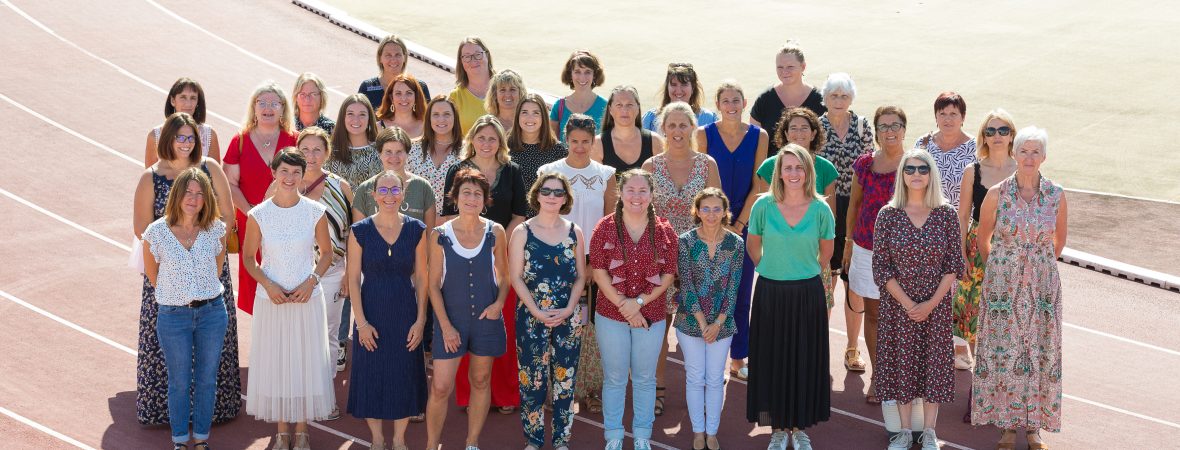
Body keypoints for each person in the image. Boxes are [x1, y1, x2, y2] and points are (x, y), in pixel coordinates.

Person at [133, 113, 241, 428]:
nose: (185, 143)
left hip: (208, 270)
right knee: (169, 350)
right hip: (167, 274)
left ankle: (215, 411)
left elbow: (228, 218)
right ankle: (167, 414)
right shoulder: (150, 177)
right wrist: (175, 254)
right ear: (167, 139)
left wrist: (202, 249)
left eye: (190, 137)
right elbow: (142, 229)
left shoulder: (211, 168)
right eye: (179, 137)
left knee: (211, 346)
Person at [972, 127, 1066, 450]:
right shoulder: (996, 194)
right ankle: (1008, 428)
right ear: (1015, 154)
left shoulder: (1056, 195)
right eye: (1023, 151)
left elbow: (1059, 242)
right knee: (1005, 353)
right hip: (1003, 287)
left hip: (1043, 289)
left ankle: (1034, 429)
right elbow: (983, 239)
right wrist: (1005, 268)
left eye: (1035, 151)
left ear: (1044, 157)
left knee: (1040, 353)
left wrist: (1036, 267)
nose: (1029, 157)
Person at [241, 149, 337, 450]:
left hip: (307, 299)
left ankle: (303, 430)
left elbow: (327, 254)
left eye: (296, 172)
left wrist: (312, 282)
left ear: (303, 175)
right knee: (278, 362)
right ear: (274, 173)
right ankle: (282, 432)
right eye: (284, 171)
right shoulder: (259, 214)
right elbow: (249, 258)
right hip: (272, 301)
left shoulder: (315, 211)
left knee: (305, 362)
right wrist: (269, 286)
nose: (290, 177)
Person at [872, 150, 964, 450]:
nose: (916, 174)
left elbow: (953, 265)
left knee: (932, 368)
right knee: (901, 365)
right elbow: (881, 267)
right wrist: (910, 305)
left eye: (923, 169)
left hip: (935, 308)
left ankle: (929, 433)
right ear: (902, 174)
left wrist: (930, 304)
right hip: (898, 308)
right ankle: (903, 433)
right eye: (909, 169)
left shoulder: (946, 214)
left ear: (931, 174)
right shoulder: (888, 215)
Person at [745, 144, 834, 450]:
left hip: (807, 294)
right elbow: (753, 245)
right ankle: (779, 429)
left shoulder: (821, 209)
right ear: (779, 173)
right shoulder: (763, 206)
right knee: (771, 361)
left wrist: (800, 272)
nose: (793, 173)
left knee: (804, 361)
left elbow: (826, 253)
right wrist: (772, 268)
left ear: (808, 171)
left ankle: (799, 427)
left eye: (799, 167)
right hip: (770, 292)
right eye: (788, 168)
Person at [441, 116, 526, 414]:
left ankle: (504, 395)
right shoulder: (457, 170)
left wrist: (496, 244)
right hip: (463, 255)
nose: (487, 143)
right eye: (481, 138)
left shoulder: (512, 171)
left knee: (501, 325)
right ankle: (468, 396)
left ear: (500, 142)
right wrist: (470, 244)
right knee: (467, 323)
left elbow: (519, 215)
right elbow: (447, 215)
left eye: (493, 138)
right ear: (472, 140)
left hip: (500, 254)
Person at [589, 169, 678, 450]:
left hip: (651, 314)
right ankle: (614, 436)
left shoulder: (665, 230)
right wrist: (626, 307)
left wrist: (637, 304)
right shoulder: (604, 227)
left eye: (642, 191)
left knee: (644, 378)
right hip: (610, 314)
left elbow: (668, 275)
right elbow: (599, 272)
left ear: (651, 195)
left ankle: (642, 436)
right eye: (630, 190)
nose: (636, 196)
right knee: (615, 378)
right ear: (620, 193)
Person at [142, 168, 230, 450]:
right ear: (177, 194)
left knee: (207, 379)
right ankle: (180, 441)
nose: (194, 198)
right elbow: (153, 276)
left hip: (212, 314)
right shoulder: (156, 233)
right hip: (173, 317)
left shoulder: (215, 229)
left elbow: (218, 269)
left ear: (207, 199)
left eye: (200, 193)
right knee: (179, 381)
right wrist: (179, 295)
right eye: (188, 192)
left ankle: (201, 439)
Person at [642, 101, 721, 416]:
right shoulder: (650, 167)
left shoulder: (707, 164)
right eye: (671, 125)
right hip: (659, 260)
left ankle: (701, 389)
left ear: (692, 128)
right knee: (658, 330)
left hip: (698, 259)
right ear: (663, 128)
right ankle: (657, 388)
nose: (677, 131)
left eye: (683, 125)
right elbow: (641, 215)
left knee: (699, 329)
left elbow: (716, 212)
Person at [424, 168, 510, 450]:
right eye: (466, 193)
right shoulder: (440, 234)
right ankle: (432, 445)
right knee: (440, 387)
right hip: (451, 321)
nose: (471, 198)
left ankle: (472, 442)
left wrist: (498, 304)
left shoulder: (496, 232)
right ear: (455, 197)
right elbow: (433, 285)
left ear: (485, 200)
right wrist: (446, 326)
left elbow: (505, 276)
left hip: (486, 320)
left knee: (481, 380)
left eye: (477, 194)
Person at [537, 114, 616, 415]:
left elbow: (610, 224)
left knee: (590, 326)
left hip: (593, 263)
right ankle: (556, 388)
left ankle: (590, 388)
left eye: (586, 141)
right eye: (574, 141)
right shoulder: (549, 171)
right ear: (566, 140)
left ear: (593, 140)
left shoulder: (606, 174)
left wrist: (597, 263)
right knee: (557, 323)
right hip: (557, 260)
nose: (580, 147)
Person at [346, 171, 430, 450]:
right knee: (371, 375)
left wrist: (420, 320)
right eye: (383, 190)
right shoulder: (359, 231)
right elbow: (353, 280)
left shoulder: (417, 229)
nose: (389, 196)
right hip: (370, 312)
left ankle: (399, 439)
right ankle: (378, 439)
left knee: (403, 374)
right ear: (374, 195)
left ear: (403, 194)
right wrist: (361, 323)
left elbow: (422, 278)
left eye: (395, 190)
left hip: (405, 312)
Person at [695, 80, 769, 382]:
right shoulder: (703, 134)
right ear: (717, 104)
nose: (731, 106)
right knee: (707, 293)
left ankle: (738, 359)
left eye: (736, 100)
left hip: (745, 224)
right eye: (725, 100)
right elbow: (701, 181)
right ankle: (708, 359)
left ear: (744, 102)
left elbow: (760, 184)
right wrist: (716, 223)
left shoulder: (759, 136)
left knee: (741, 293)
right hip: (710, 223)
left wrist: (738, 225)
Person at [510, 173, 588, 450]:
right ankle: (533, 440)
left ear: (565, 198)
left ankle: (561, 440)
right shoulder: (522, 232)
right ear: (537, 194)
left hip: (568, 317)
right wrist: (536, 311)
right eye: (546, 191)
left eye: (558, 192)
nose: (552, 196)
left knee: (565, 381)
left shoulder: (575, 231)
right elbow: (515, 277)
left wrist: (569, 308)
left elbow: (581, 276)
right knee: (532, 381)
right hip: (531, 317)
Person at [952, 110, 1019, 424]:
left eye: (1003, 130)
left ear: (1011, 135)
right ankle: (980, 388)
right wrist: (961, 254)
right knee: (976, 322)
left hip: (1014, 252)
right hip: (977, 251)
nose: (997, 136)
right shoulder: (973, 171)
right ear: (983, 136)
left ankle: (1001, 390)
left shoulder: (1023, 169)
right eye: (991, 131)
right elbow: (963, 215)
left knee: (1009, 323)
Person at [844, 105, 908, 404]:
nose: (889, 131)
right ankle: (879, 376)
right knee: (874, 314)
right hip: (866, 248)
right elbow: (854, 205)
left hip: (906, 253)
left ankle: (903, 376)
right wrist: (848, 242)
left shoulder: (916, 163)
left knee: (905, 316)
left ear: (904, 129)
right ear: (876, 131)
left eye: (895, 125)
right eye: (883, 126)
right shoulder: (865, 163)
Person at [814, 72, 875, 373]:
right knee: (826, 282)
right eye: (833, 95)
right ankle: (819, 349)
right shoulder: (816, 127)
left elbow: (869, 167)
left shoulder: (863, 126)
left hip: (856, 211)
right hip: (825, 210)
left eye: (844, 96)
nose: (839, 101)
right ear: (824, 98)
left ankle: (852, 349)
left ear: (852, 99)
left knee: (854, 285)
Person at [675, 188, 743, 450]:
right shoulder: (686, 242)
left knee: (715, 378)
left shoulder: (735, 244)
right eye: (706, 209)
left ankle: (712, 432)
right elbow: (687, 285)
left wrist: (718, 323)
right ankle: (698, 432)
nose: (711, 214)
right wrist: (704, 324)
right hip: (690, 322)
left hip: (722, 324)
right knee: (695, 377)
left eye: (717, 209)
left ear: (725, 212)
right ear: (697, 211)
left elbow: (733, 287)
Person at [755, 108, 839, 315]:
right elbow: (764, 216)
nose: (798, 133)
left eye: (804, 128)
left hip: (812, 260)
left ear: (813, 133)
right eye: (793, 128)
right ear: (785, 133)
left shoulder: (826, 168)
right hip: (778, 266)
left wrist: (813, 266)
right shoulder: (769, 166)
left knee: (816, 315)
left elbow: (830, 220)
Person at [224, 80, 298, 314]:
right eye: (262, 102)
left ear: (283, 108)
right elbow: (230, 183)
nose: (268, 108)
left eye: (274, 103)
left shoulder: (295, 140)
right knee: (254, 283)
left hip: (287, 221)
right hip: (251, 222)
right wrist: (253, 213)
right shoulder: (240, 141)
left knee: (286, 278)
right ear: (253, 107)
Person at [291, 127, 354, 391]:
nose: (311, 156)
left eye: (317, 150)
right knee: (296, 335)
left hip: (331, 272)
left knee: (328, 334)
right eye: (305, 149)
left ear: (327, 153)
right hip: (293, 275)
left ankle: (324, 394)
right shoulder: (284, 184)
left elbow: (353, 233)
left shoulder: (341, 186)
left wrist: (349, 273)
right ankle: (299, 391)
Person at [353, 127, 437, 227]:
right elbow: (358, 233)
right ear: (380, 154)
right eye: (388, 151)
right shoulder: (365, 188)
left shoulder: (423, 187)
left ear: (407, 154)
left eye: (399, 151)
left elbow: (429, 233)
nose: (394, 157)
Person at [749, 41, 826, 139]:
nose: (784, 71)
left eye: (790, 67)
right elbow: (753, 138)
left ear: (803, 67)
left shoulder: (821, 100)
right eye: (780, 67)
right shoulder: (764, 99)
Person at [915, 92, 977, 209]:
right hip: (926, 215)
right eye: (942, 114)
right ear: (936, 117)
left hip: (963, 217)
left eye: (953, 114)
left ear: (963, 117)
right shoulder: (922, 144)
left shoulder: (976, 148)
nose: (947, 119)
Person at [508, 93, 569, 212]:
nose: (530, 118)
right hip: (510, 217)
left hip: (545, 218)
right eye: (524, 112)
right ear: (517, 116)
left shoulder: (558, 151)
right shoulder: (505, 147)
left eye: (536, 113)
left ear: (543, 117)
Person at [408, 96, 464, 223]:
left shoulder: (467, 151)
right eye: (436, 114)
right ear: (429, 118)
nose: (441, 119)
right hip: (416, 224)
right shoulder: (412, 148)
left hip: (454, 225)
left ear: (455, 118)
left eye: (447, 114)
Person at [145, 78, 221, 167]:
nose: (188, 104)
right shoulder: (155, 136)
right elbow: (151, 173)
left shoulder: (210, 135)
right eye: (183, 97)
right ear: (172, 101)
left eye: (193, 98)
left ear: (198, 102)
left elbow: (215, 173)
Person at [593, 86, 664, 177]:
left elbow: (662, 180)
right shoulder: (597, 144)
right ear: (610, 109)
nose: (624, 110)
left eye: (629, 105)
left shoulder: (655, 141)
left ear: (638, 108)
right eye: (619, 105)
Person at [359, 35, 432, 110]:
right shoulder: (367, 88)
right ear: (380, 58)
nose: (393, 60)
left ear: (404, 57)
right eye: (388, 55)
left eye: (398, 55)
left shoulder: (420, 87)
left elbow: (428, 116)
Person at [642, 63, 718, 133]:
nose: (678, 91)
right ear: (667, 88)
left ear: (693, 88)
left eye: (684, 85)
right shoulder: (651, 119)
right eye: (674, 85)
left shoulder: (709, 119)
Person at [326, 94, 383, 188]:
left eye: (362, 114)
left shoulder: (382, 151)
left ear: (369, 118)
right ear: (343, 117)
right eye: (350, 114)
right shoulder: (329, 152)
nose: (356, 120)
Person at [550, 50, 608, 141]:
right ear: (570, 74)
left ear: (594, 75)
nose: (582, 77)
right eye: (577, 72)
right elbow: (552, 143)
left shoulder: (606, 106)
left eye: (587, 72)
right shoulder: (559, 106)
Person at [448, 37, 495, 135]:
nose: (473, 61)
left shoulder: (505, 88)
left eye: (478, 54)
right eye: (467, 56)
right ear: (461, 62)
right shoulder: (455, 97)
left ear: (487, 55)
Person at [376, 73, 427, 138]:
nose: (403, 98)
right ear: (391, 98)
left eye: (409, 93)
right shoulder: (378, 128)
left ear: (416, 97)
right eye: (398, 93)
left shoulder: (427, 126)